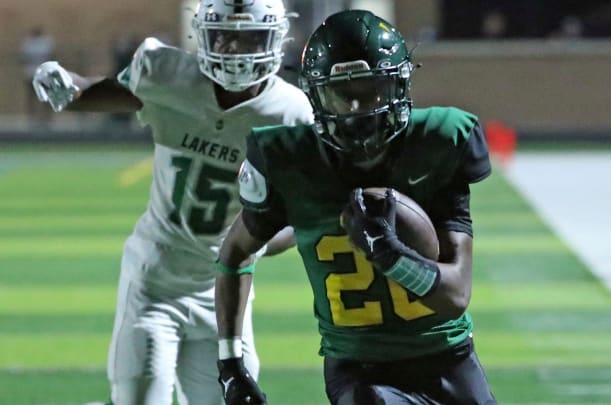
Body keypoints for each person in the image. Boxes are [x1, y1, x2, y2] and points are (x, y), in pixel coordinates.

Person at [31, 0, 313, 404]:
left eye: (247, 37)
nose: (234, 51)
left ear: (275, 38)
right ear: (203, 35)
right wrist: (67, 86)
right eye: (225, 37)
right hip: (155, 283)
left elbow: (302, 217)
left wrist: (255, 239)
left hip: (224, 293)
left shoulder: (291, 114)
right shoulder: (168, 75)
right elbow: (108, 91)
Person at [216, 9, 498, 405]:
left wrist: (388, 253)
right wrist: (230, 363)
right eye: (341, 93)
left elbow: (454, 296)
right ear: (315, 95)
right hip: (360, 370)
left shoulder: (440, 142)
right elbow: (234, 253)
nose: (355, 108)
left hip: (447, 359)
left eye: (370, 89)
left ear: (397, 85)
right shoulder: (287, 158)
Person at [21, 26, 54, 123]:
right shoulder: (43, 43)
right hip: (38, 73)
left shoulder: (29, 43)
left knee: (36, 97)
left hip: (34, 73)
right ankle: (39, 117)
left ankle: (39, 117)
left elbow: (23, 59)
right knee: (34, 97)